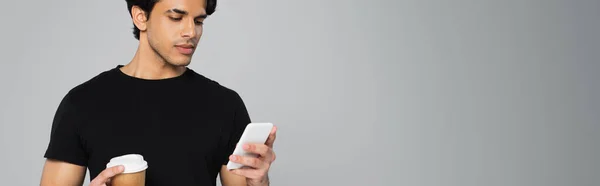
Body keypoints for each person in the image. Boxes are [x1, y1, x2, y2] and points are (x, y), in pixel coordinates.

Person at [39, 0, 277, 185]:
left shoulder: (226, 105)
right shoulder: (81, 104)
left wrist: (260, 181)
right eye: (176, 17)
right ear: (141, 17)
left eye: (198, 21)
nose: (190, 32)